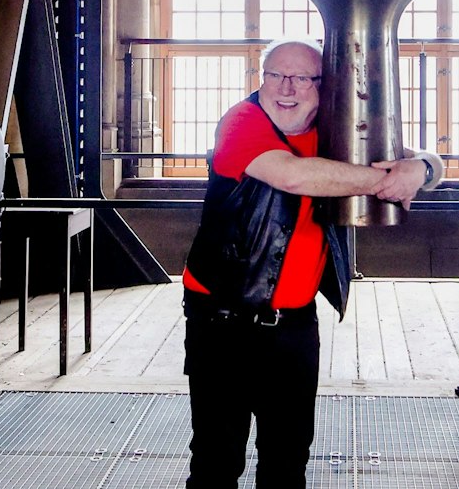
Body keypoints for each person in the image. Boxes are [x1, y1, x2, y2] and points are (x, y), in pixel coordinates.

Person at [180, 36, 439, 488]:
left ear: (325, 86)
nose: (286, 87)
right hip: (222, 324)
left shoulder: (336, 129)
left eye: (302, 78)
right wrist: (385, 180)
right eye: (276, 74)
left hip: (295, 326)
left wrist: (421, 169)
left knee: (288, 458)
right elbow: (293, 175)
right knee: (217, 461)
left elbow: (429, 158)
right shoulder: (242, 122)